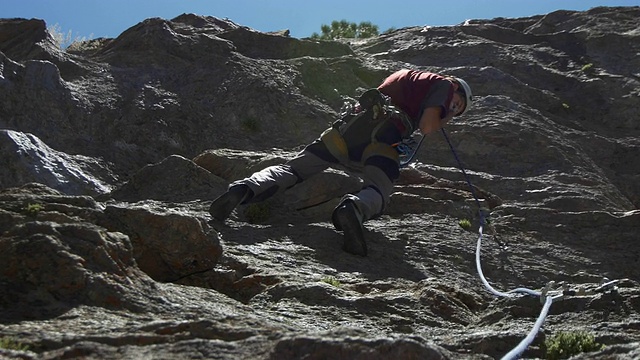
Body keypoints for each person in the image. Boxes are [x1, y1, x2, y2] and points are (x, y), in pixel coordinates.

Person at [209, 69, 473, 256]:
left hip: (349, 128)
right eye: (456, 104)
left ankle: (244, 189)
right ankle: (353, 208)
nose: (452, 108)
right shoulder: (444, 85)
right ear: (455, 87)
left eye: (456, 110)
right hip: (385, 135)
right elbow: (427, 126)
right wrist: (444, 117)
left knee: (295, 168)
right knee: (380, 187)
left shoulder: (405, 74)